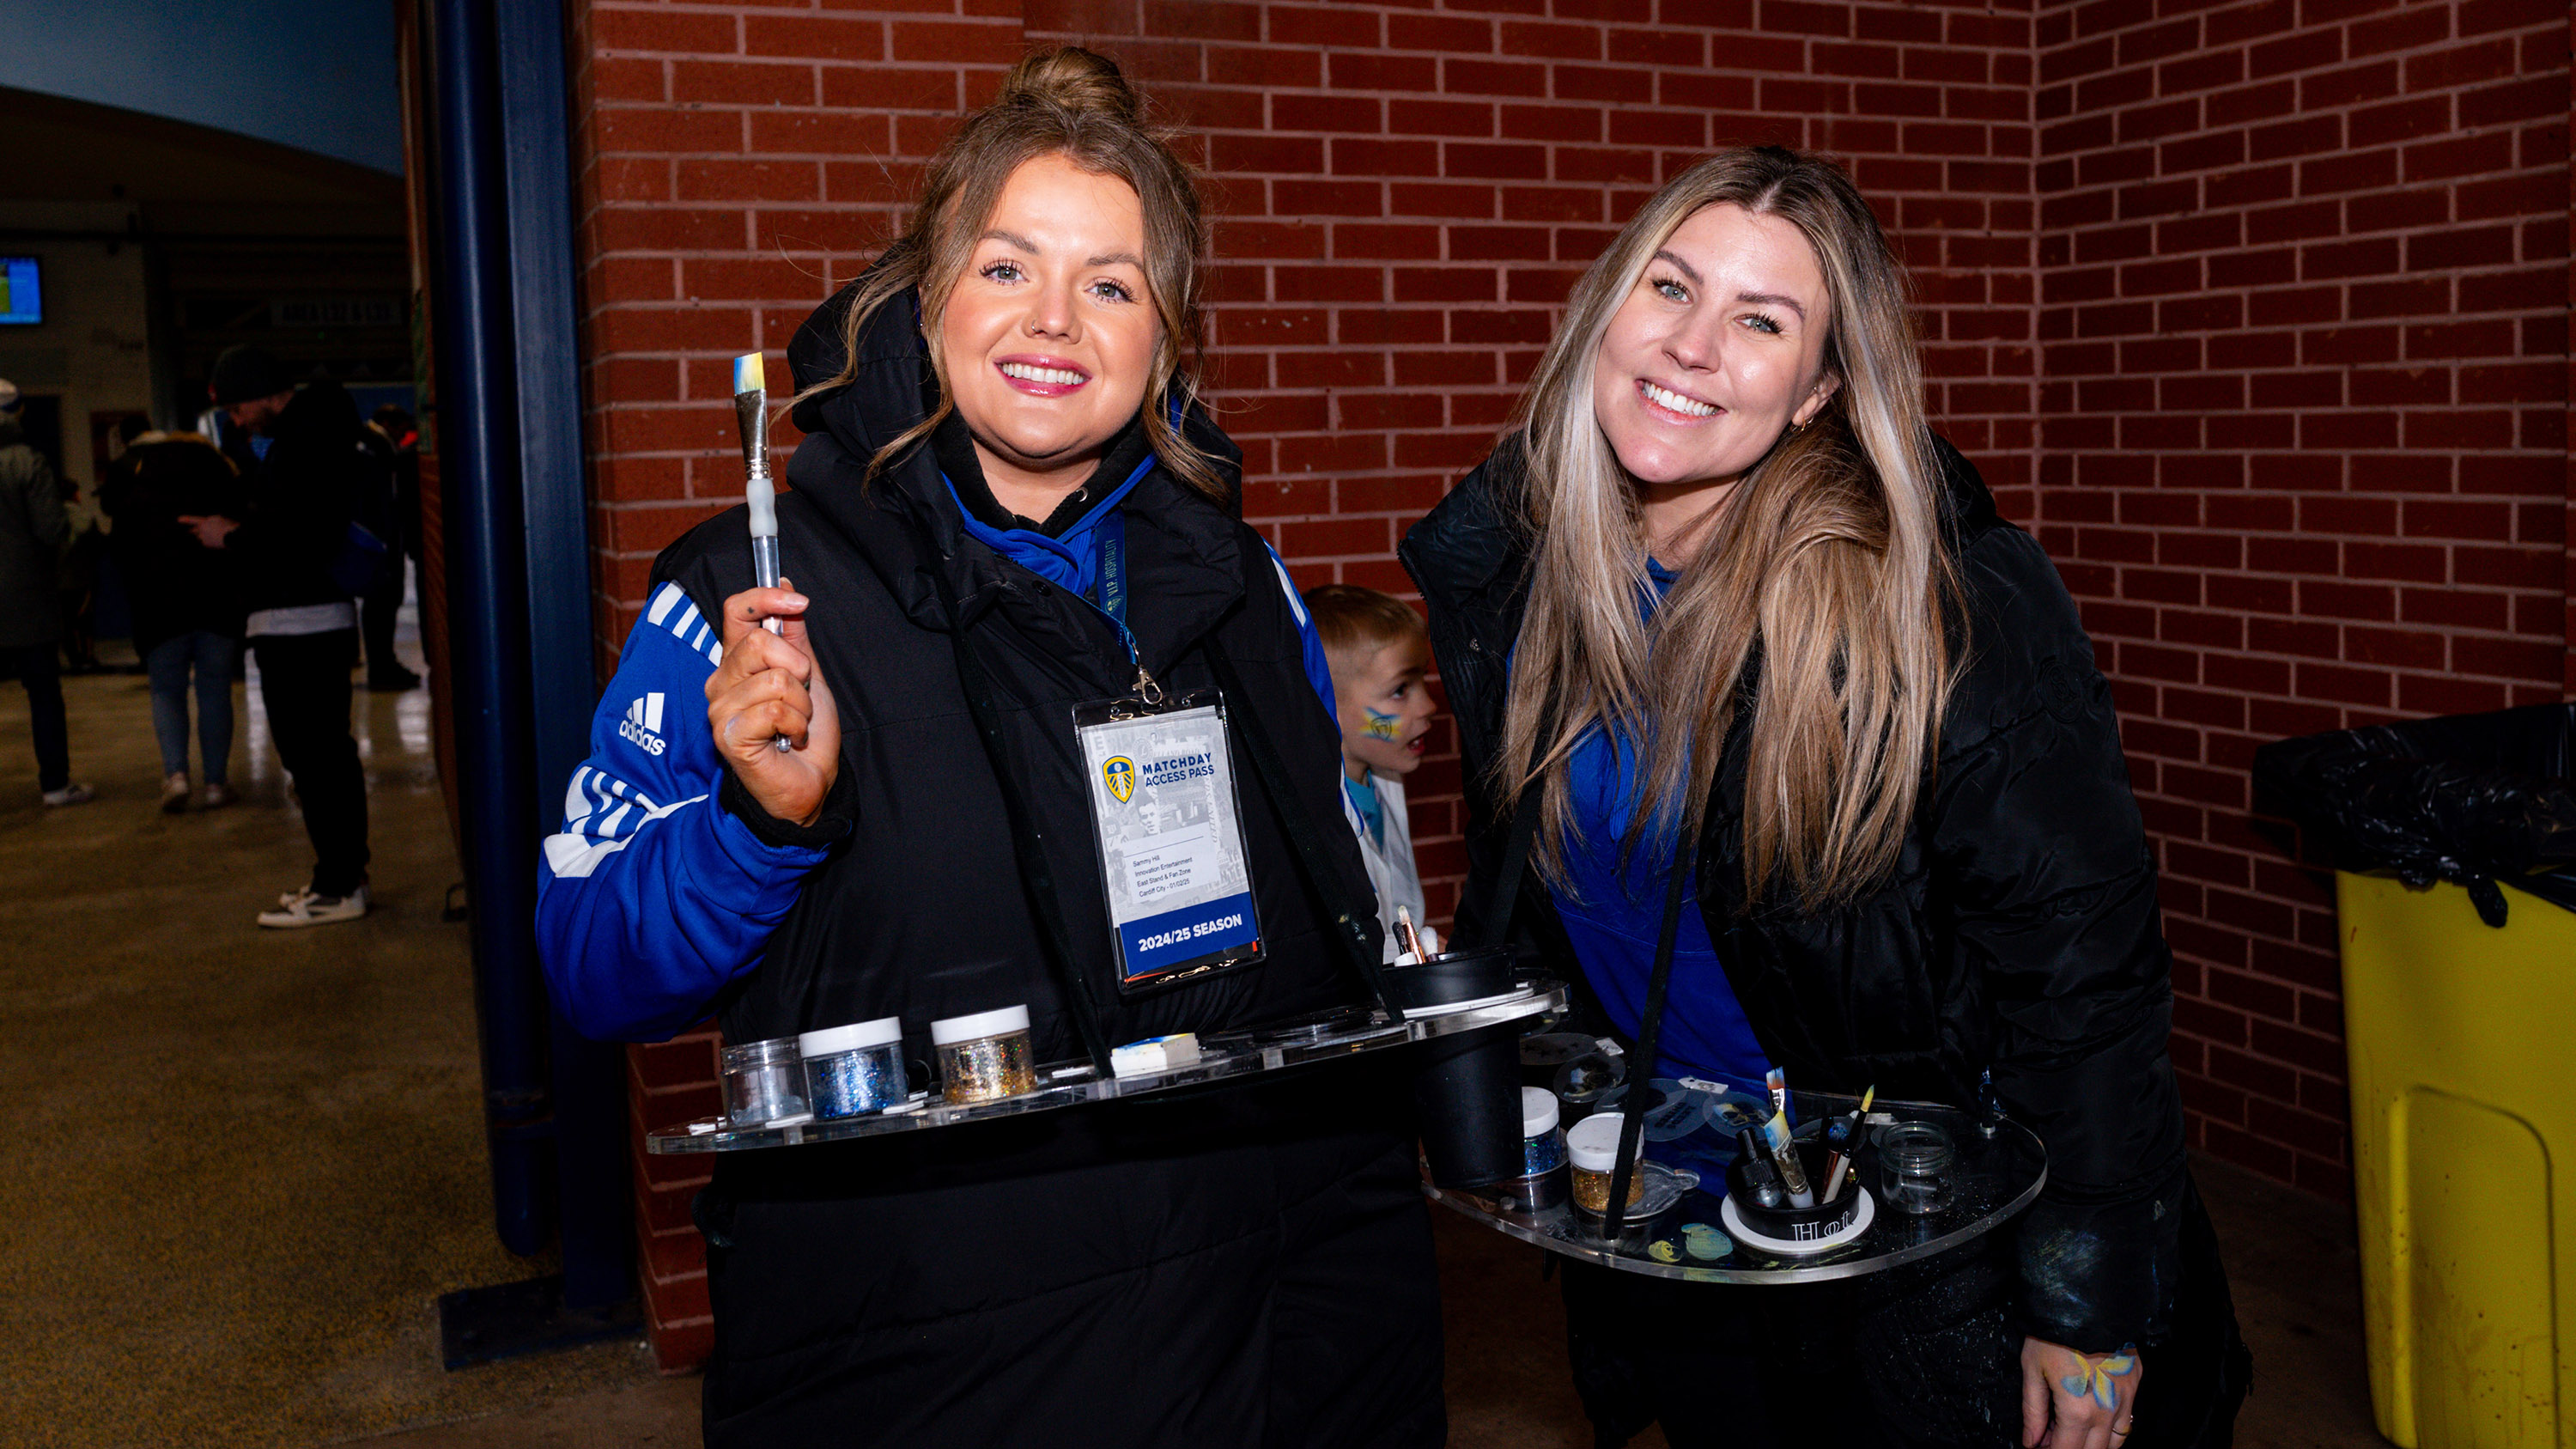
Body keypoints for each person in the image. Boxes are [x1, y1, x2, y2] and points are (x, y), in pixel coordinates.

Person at [537, 49, 1441, 1446]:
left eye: (1114, 283)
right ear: (928, 287)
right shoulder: (755, 592)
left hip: (1301, 1314)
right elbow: (591, 960)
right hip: (945, 1352)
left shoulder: (1242, 574)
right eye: (1009, 267)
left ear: (1165, 340)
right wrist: (758, 825)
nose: (1058, 320)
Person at [1401, 147, 2251, 1448]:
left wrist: (2085, 1307)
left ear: (1819, 395)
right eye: (1669, 286)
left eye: (1762, 321)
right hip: (1684, 1199)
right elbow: (1549, 900)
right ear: (1603, 313)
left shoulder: (1937, 604)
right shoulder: (1525, 578)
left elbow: (2086, 977)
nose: (1693, 346)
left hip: (1928, 1229)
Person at [183, 348, 375, 926]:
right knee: (317, 756)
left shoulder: (306, 440)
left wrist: (232, 537)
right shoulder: (308, 435)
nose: (237, 422)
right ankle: (340, 877)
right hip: (302, 620)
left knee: (317, 757)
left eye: (240, 408)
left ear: (267, 393)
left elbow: (305, 532)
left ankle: (340, 886)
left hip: (303, 623)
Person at [101, 414, 246, 812]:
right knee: (215, 689)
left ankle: (177, 775)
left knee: (167, 690)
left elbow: (118, 551)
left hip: (158, 606)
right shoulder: (220, 481)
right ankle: (216, 783)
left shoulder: (136, 490)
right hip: (216, 602)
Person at [1306, 583, 1441, 961]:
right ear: (1327, 700)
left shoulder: (1385, 779)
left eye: (1422, 681)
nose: (1429, 705)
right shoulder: (1318, 816)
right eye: (1400, 690)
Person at [0, 377, 90, 806]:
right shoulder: (27, 461)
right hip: (27, 600)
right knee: (43, 695)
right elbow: (52, 528)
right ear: (17, 412)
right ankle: (54, 784)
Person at [358, 405, 420, 691]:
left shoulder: (370, 442)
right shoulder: (375, 444)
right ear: (387, 423)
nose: (402, 434)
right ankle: (383, 666)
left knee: (381, 604)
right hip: (383, 537)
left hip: (378, 536)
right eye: (400, 428)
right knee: (382, 603)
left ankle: (383, 664)